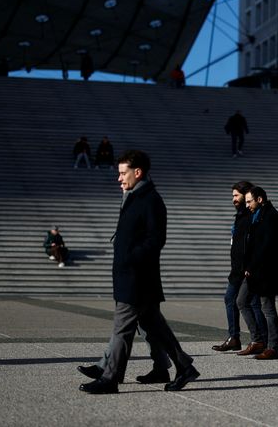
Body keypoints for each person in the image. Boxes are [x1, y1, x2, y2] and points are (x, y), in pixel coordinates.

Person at [79, 150, 199, 394]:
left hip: (138, 277)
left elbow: (156, 239)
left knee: (122, 328)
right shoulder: (133, 196)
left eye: (123, 173)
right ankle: (184, 366)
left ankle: (110, 378)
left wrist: (129, 259)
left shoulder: (150, 200)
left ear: (138, 172)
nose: (119, 178)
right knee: (156, 328)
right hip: (131, 277)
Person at [213, 181, 267, 354]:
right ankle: (237, 338)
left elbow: (250, 245)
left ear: (246, 195)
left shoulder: (250, 215)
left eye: (236, 196)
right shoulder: (242, 214)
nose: (233, 199)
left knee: (247, 302)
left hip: (245, 268)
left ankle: (258, 340)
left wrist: (247, 266)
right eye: (233, 196)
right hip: (237, 268)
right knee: (236, 300)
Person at [243, 186, 278, 360]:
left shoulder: (270, 216)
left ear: (259, 199)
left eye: (249, 201)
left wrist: (251, 267)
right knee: (242, 300)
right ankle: (259, 340)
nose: (247, 205)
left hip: (266, 271)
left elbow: (266, 246)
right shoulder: (258, 215)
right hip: (255, 270)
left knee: (268, 308)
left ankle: (272, 347)